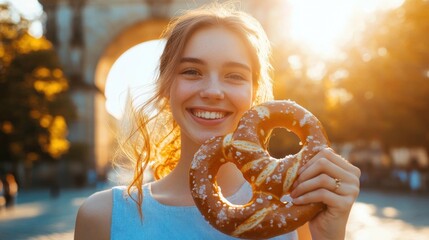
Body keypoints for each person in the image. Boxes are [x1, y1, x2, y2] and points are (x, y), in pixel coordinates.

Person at [75, 3, 361, 240]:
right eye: (192, 71)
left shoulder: (297, 214)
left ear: (254, 92)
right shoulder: (102, 219)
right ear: (166, 86)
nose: (212, 91)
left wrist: (329, 237)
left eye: (234, 75)